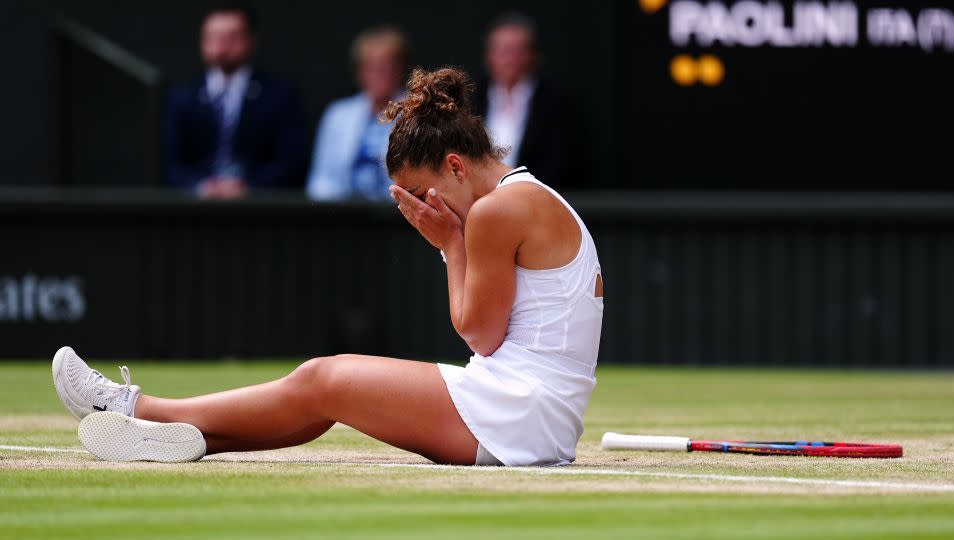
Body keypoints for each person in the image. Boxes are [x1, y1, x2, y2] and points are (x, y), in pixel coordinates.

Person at [51, 67, 604, 467]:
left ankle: (139, 408)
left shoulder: (496, 211)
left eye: (417, 192)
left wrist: (450, 246)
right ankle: (185, 433)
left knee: (324, 378)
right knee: (324, 389)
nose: (416, 207)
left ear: (455, 165)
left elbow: (481, 336)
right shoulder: (527, 196)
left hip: (520, 417)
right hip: (533, 416)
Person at [165, 4, 308, 198]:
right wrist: (202, 187)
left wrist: (248, 188)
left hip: (261, 210)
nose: (222, 47)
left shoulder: (280, 96)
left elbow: (291, 164)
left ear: (251, 40)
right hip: (196, 211)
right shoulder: (183, 98)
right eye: (214, 37)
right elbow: (171, 166)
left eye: (232, 37)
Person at [476, 13, 585, 191]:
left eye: (515, 51)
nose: (508, 59)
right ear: (489, 56)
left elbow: (559, 163)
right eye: (501, 51)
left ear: (531, 55)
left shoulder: (556, 103)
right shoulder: (473, 97)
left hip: (533, 201)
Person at [306, 27, 409, 202]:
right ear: (360, 72)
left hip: (398, 216)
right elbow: (320, 181)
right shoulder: (338, 115)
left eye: (386, 67)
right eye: (371, 67)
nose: (379, 74)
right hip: (343, 217)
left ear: (399, 70)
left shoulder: (418, 113)